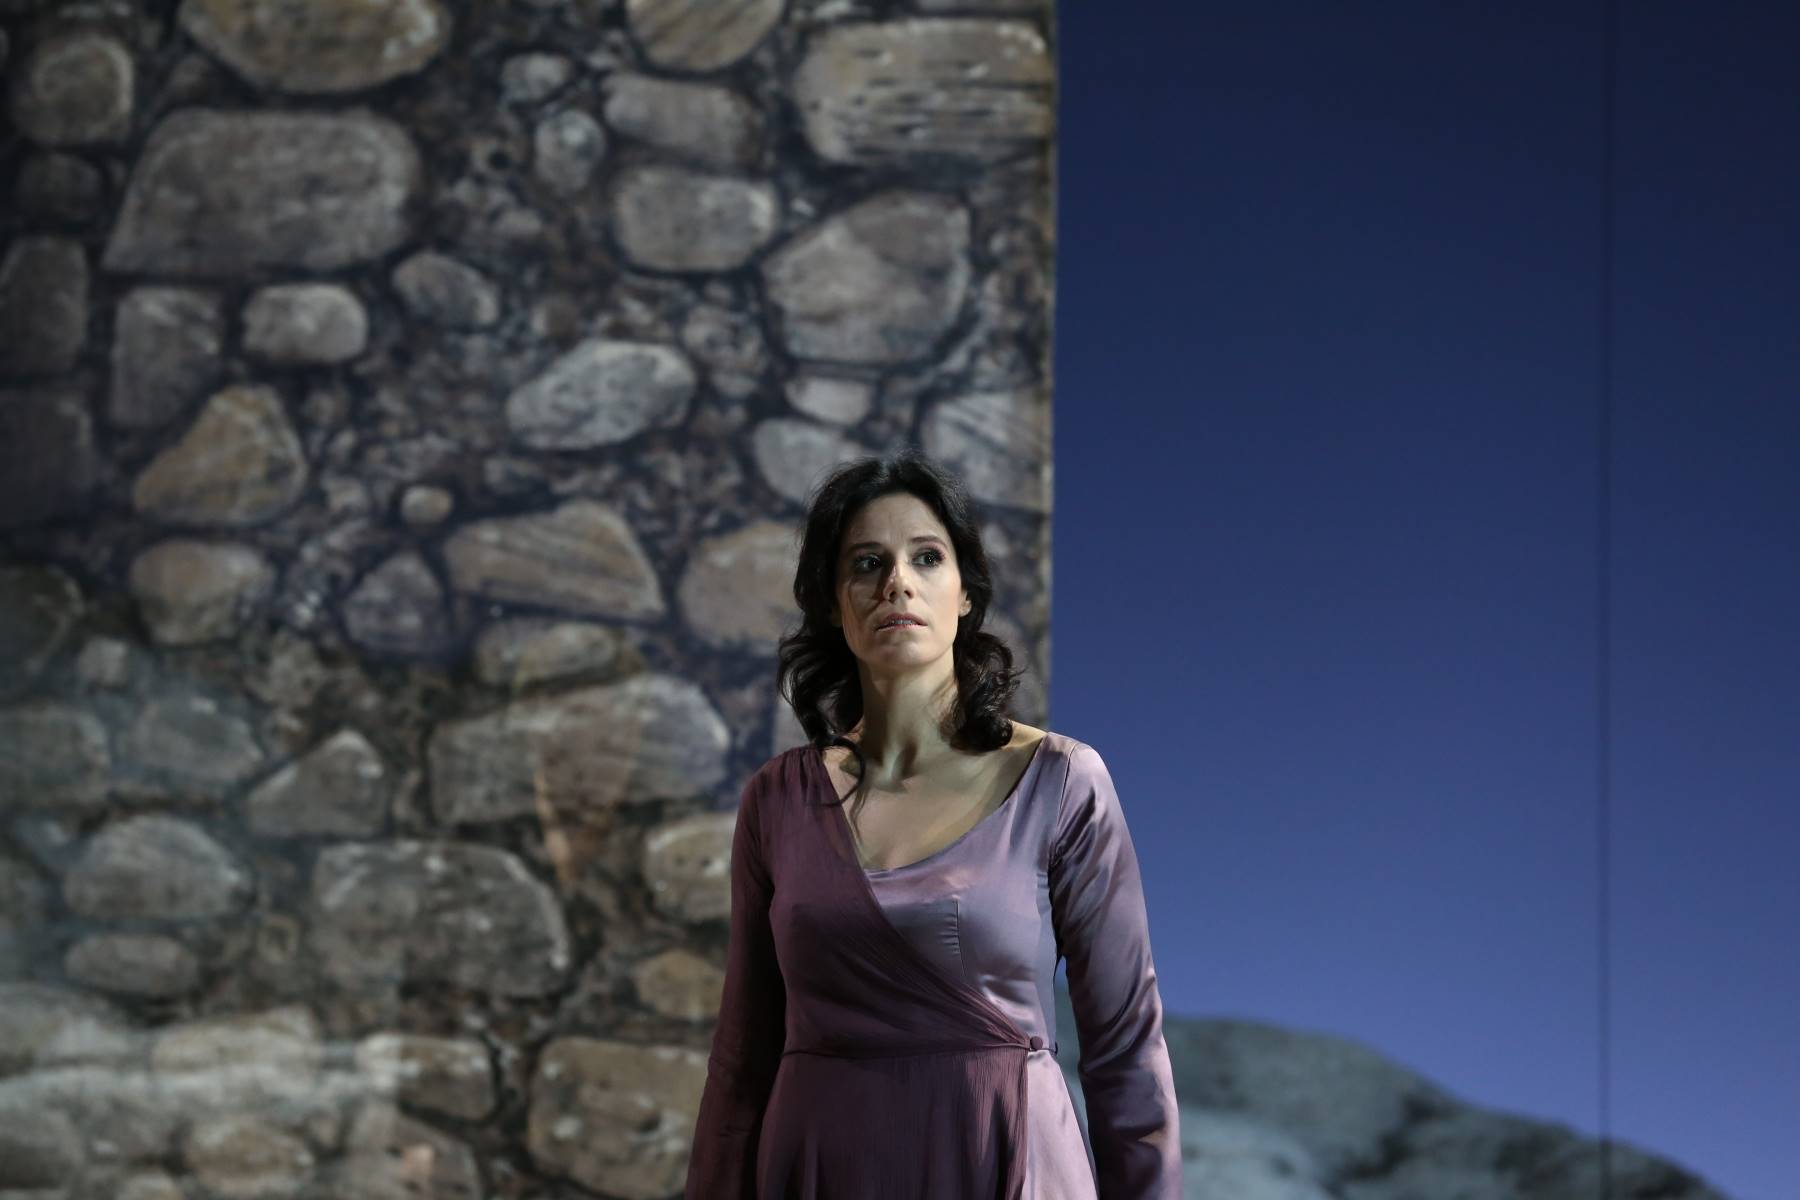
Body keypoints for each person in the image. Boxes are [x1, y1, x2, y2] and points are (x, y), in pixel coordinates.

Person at [683, 447, 1182, 1198]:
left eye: (926, 557)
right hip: (819, 1168)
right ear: (833, 602)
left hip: (1003, 1158)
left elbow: (1128, 1052)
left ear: (965, 593)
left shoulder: (1060, 781)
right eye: (866, 564)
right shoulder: (777, 800)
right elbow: (741, 1061)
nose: (897, 583)